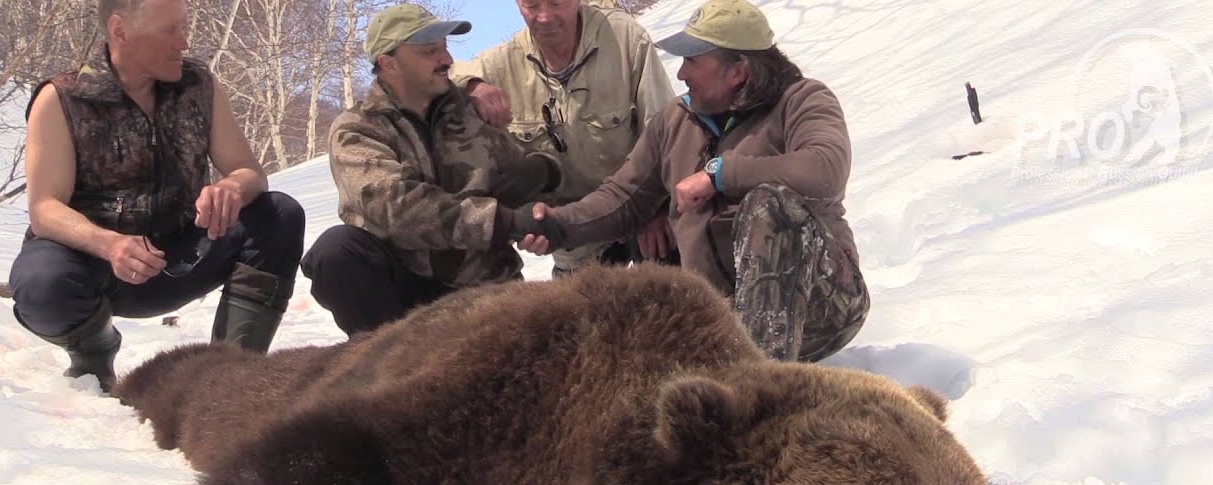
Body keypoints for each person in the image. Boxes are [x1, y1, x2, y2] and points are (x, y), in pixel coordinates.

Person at [513, 0, 870, 363]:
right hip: (724, 321)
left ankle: (758, 385)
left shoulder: (803, 100)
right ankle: (731, 367)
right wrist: (559, 224)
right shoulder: (675, 120)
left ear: (737, 71)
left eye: (692, 61)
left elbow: (824, 171)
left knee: (768, 206)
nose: (681, 74)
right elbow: (624, 196)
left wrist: (720, 175)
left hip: (823, 308)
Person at [9, 0, 305, 393]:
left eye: (185, 28)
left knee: (279, 214)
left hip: (184, 256)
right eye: (171, 30)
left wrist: (231, 187)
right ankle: (94, 356)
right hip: (99, 267)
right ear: (120, 30)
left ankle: (233, 374)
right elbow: (45, 209)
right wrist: (109, 244)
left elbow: (249, 172)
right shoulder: (62, 98)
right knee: (40, 282)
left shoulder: (199, 84)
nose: (184, 42)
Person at [301, 4, 561, 336]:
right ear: (388, 63)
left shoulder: (471, 114)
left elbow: (531, 172)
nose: (447, 60)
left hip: (483, 287)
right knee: (336, 251)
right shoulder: (357, 130)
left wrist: (544, 172)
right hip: (402, 298)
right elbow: (398, 208)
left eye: (445, 48)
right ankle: (382, 366)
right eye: (430, 51)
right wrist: (502, 221)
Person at [451, 0, 675, 276]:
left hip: (641, 211)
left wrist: (658, 208)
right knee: (581, 316)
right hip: (575, 235)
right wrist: (472, 84)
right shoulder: (499, 64)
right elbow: (440, 77)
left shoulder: (624, 37)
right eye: (532, 5)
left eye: (556, 2)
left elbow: (664, 129)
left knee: (673, 295)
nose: (544, 17)